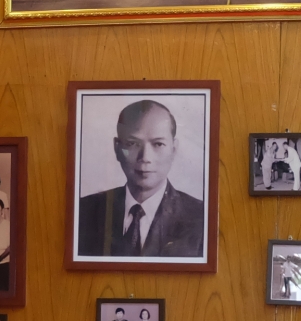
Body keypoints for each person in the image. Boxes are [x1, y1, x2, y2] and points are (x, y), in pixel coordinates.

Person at [77, 99, 205, 258]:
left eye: (158, 144)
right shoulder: (83, 211)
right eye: (132, 143)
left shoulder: (202, 218)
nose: (145, 157)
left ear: (173, 149)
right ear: (117, 148)